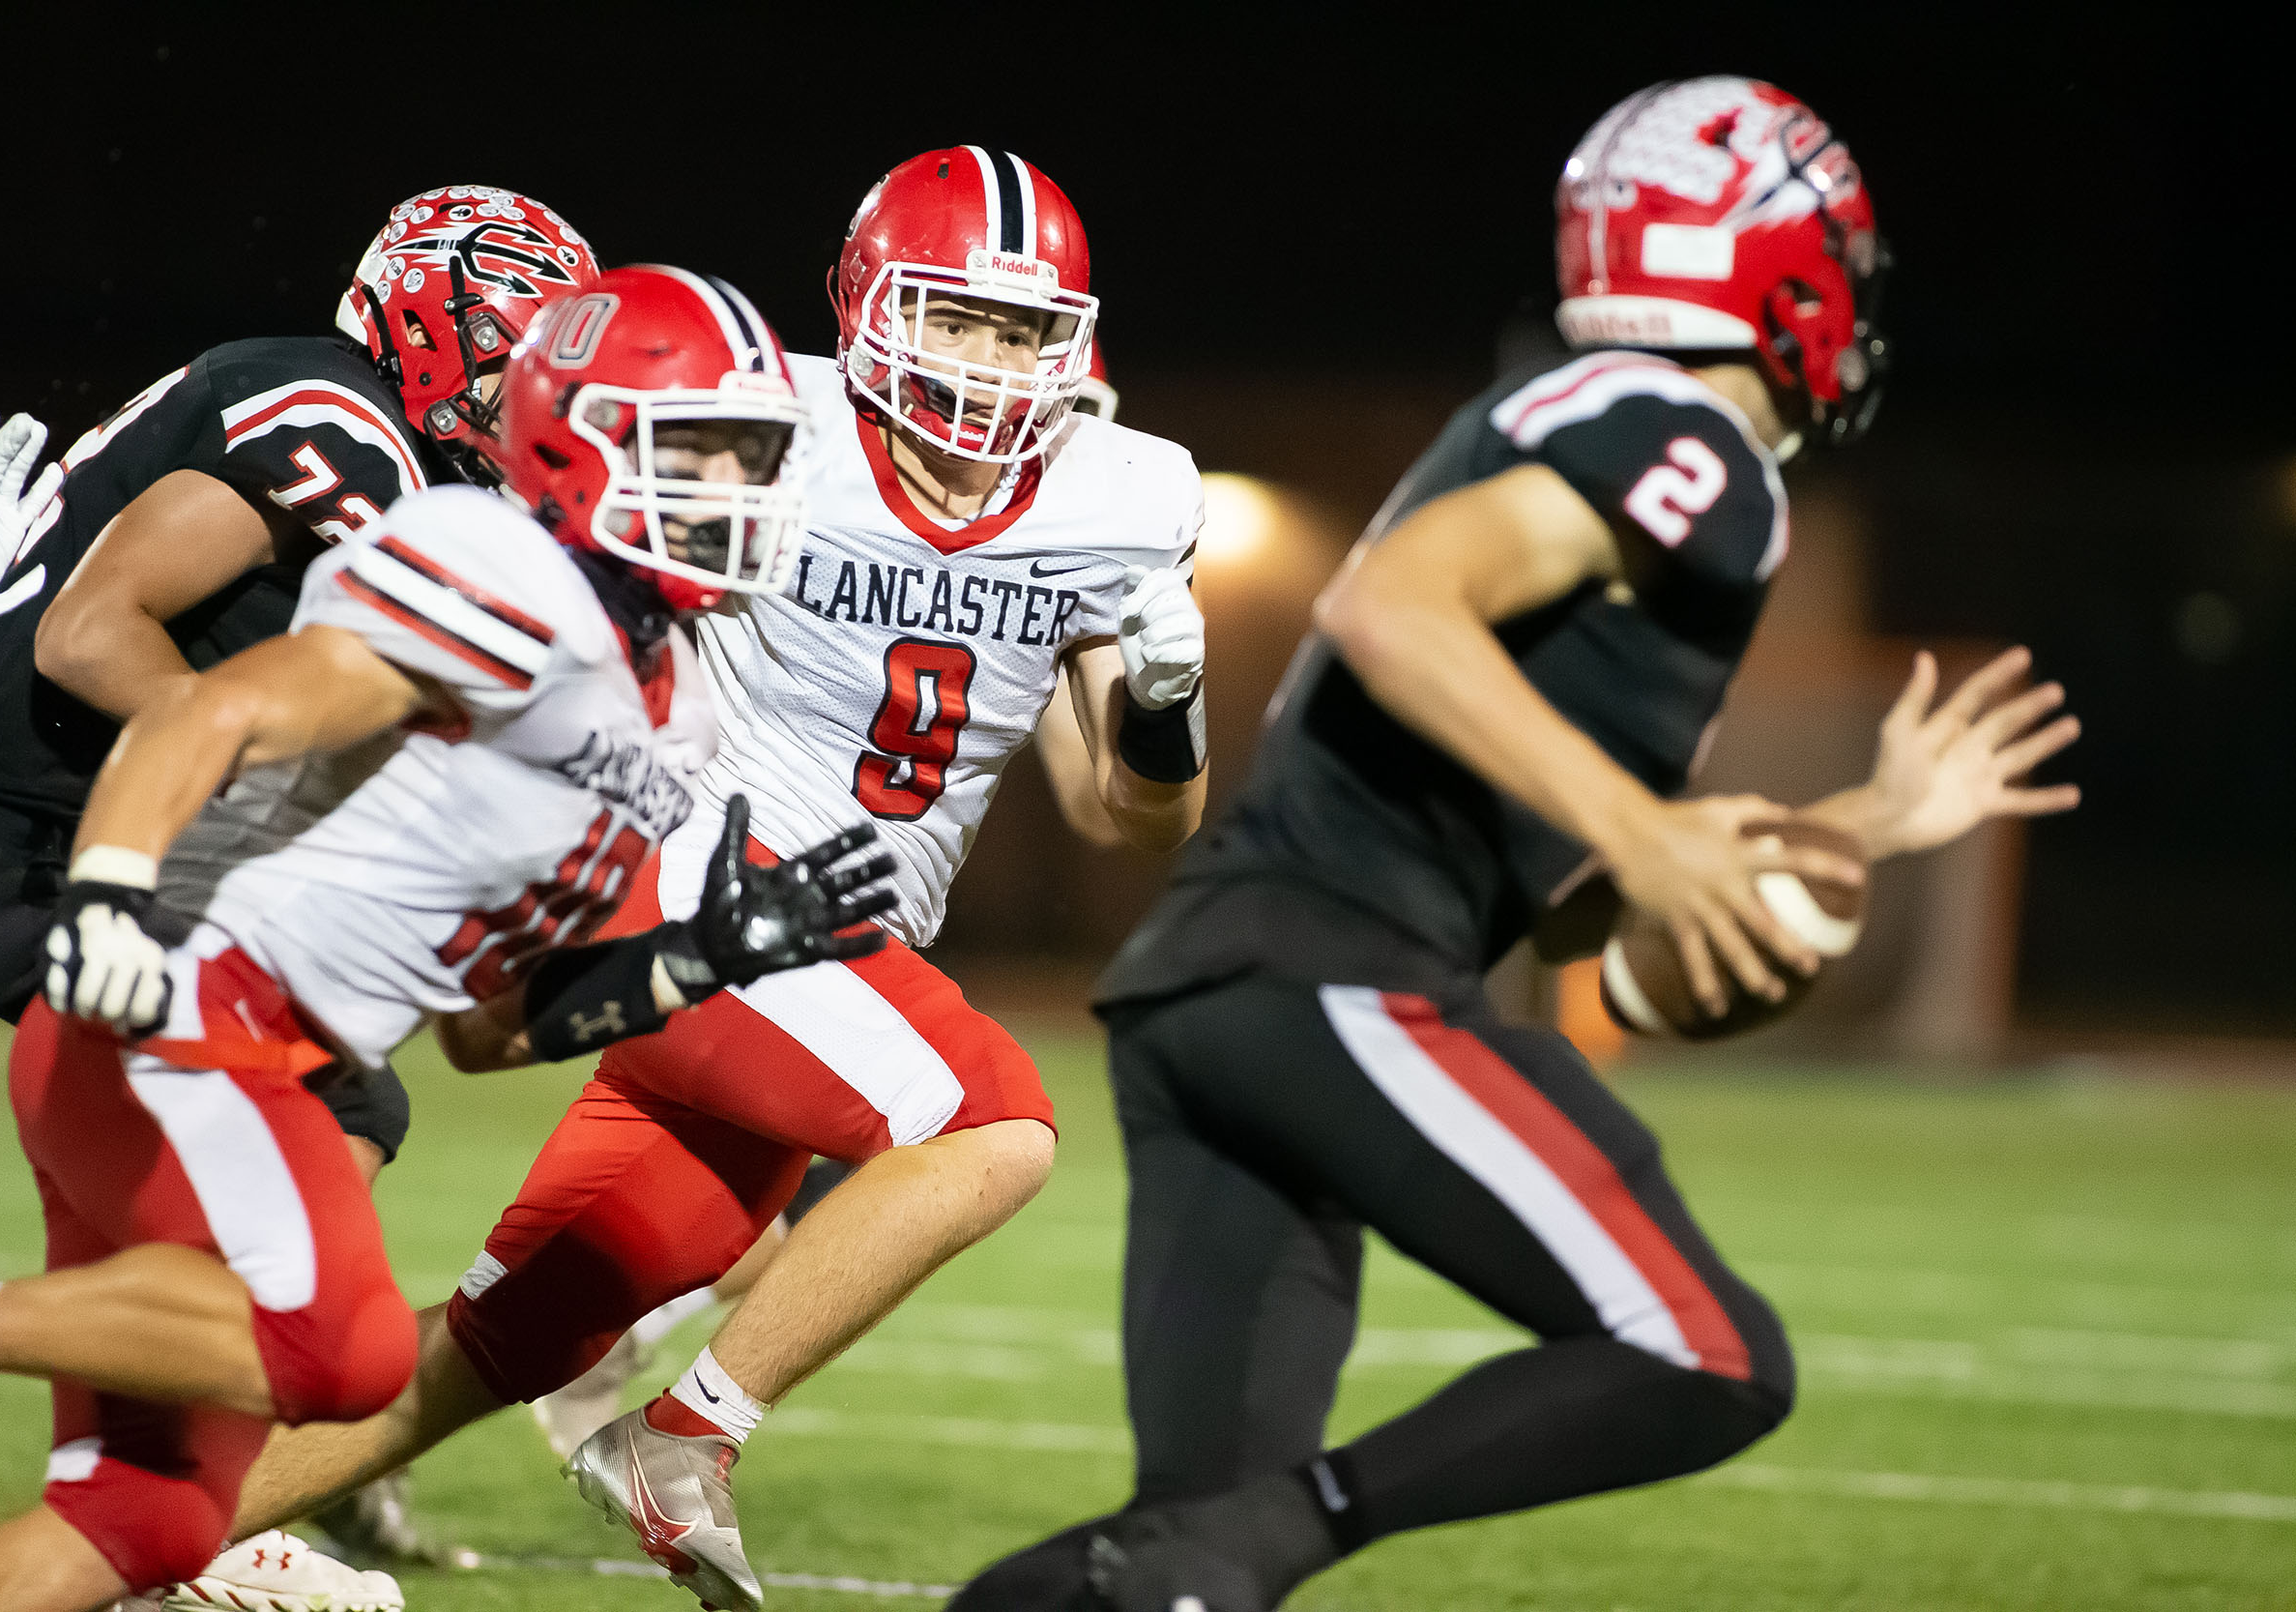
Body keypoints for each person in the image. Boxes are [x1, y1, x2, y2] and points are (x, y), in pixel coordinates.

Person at [953, 77, 2084, 1611]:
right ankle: (1312, 1519)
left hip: (1219, 986)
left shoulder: (1587, 424)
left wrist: (1852, 826)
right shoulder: (1689, 440)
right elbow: (1397, 607)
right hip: (1335, 977)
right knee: (1707, 1349)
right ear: (1785, 269)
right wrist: (1649, 829)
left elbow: (1567, 916)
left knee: (1175, 1558)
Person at [172, 146, 1210, 1612]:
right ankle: (683, 1438)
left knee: (504, 1340)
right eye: (955, 319)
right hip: (697, 883)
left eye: (1021, 332)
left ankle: (150, 1545)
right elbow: (554, 473)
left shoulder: (1121, 497)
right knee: (996, 1123)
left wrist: (1165, 700)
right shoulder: (765, 416)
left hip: (825, 949)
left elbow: (1135, 818)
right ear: (869, 304)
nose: (986, 366)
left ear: (1072, 346)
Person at [0, 265, 898, 1612]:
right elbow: (216, 711)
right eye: (698, 453)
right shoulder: (505, 568)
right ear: (577, 439)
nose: (738, 494)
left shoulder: (676, 709)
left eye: (753, 460)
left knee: (142, 1521)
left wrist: (690, 959)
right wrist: (118, 888)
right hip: (199, 1004)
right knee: (347, 1352)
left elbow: (487, 1028)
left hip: (281, 1046)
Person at [0, 187, 599, 1186]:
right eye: (506, 354)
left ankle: (96, 1324)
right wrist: (266, 771)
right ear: (428, 317)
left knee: (338, 1107)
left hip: (129, 849)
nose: (523, 393)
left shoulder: (435, 477)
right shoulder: (334, 407)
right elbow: (87, 637)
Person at [525, 335, 1132, 1458]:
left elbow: (1110, 807)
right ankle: (667, 1403)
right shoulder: (825, 498)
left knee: (611, 1267)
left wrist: (1126, 680)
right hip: (748, 892)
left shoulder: (1063, 572)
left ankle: (408, 1409)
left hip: (863, 931)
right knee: (980, 1128)